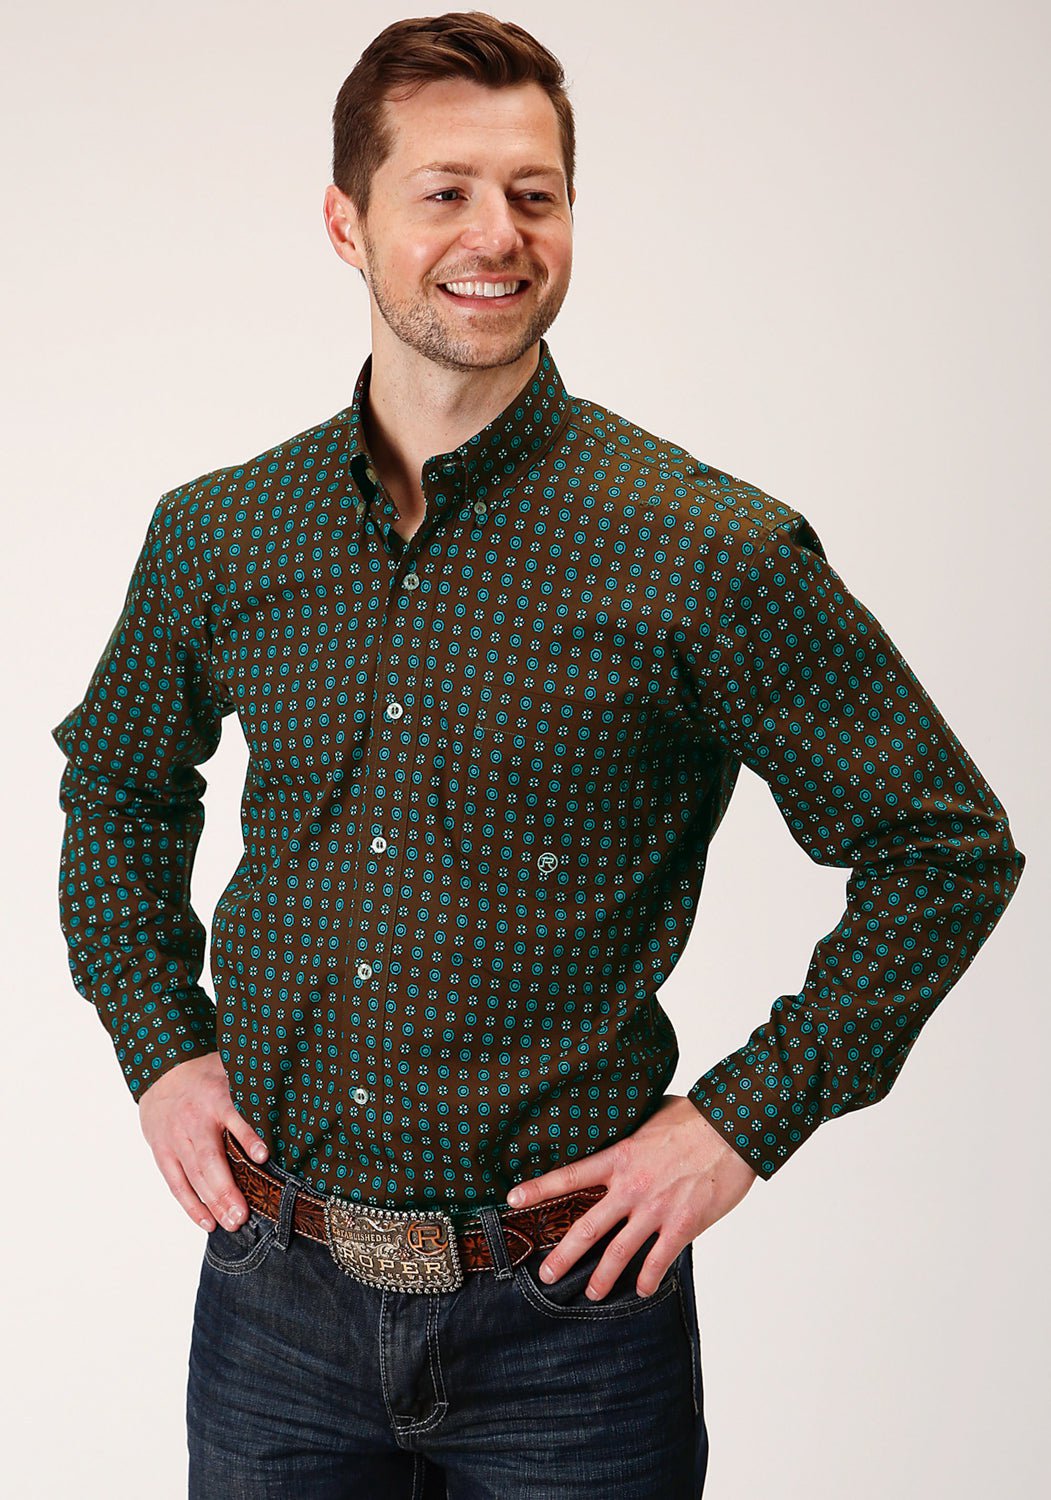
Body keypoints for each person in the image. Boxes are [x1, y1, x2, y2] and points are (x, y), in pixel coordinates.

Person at [50, 11, 1025, 1498]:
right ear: (346, 222)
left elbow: (942, 846)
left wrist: (738, 1125)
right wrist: (159, 1047)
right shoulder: (223, 532)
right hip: (273, 1300)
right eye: (444, 190)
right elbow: (118, 787)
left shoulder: (704, 549)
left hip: (573, 1321)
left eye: (535, 193)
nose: (496, 233)